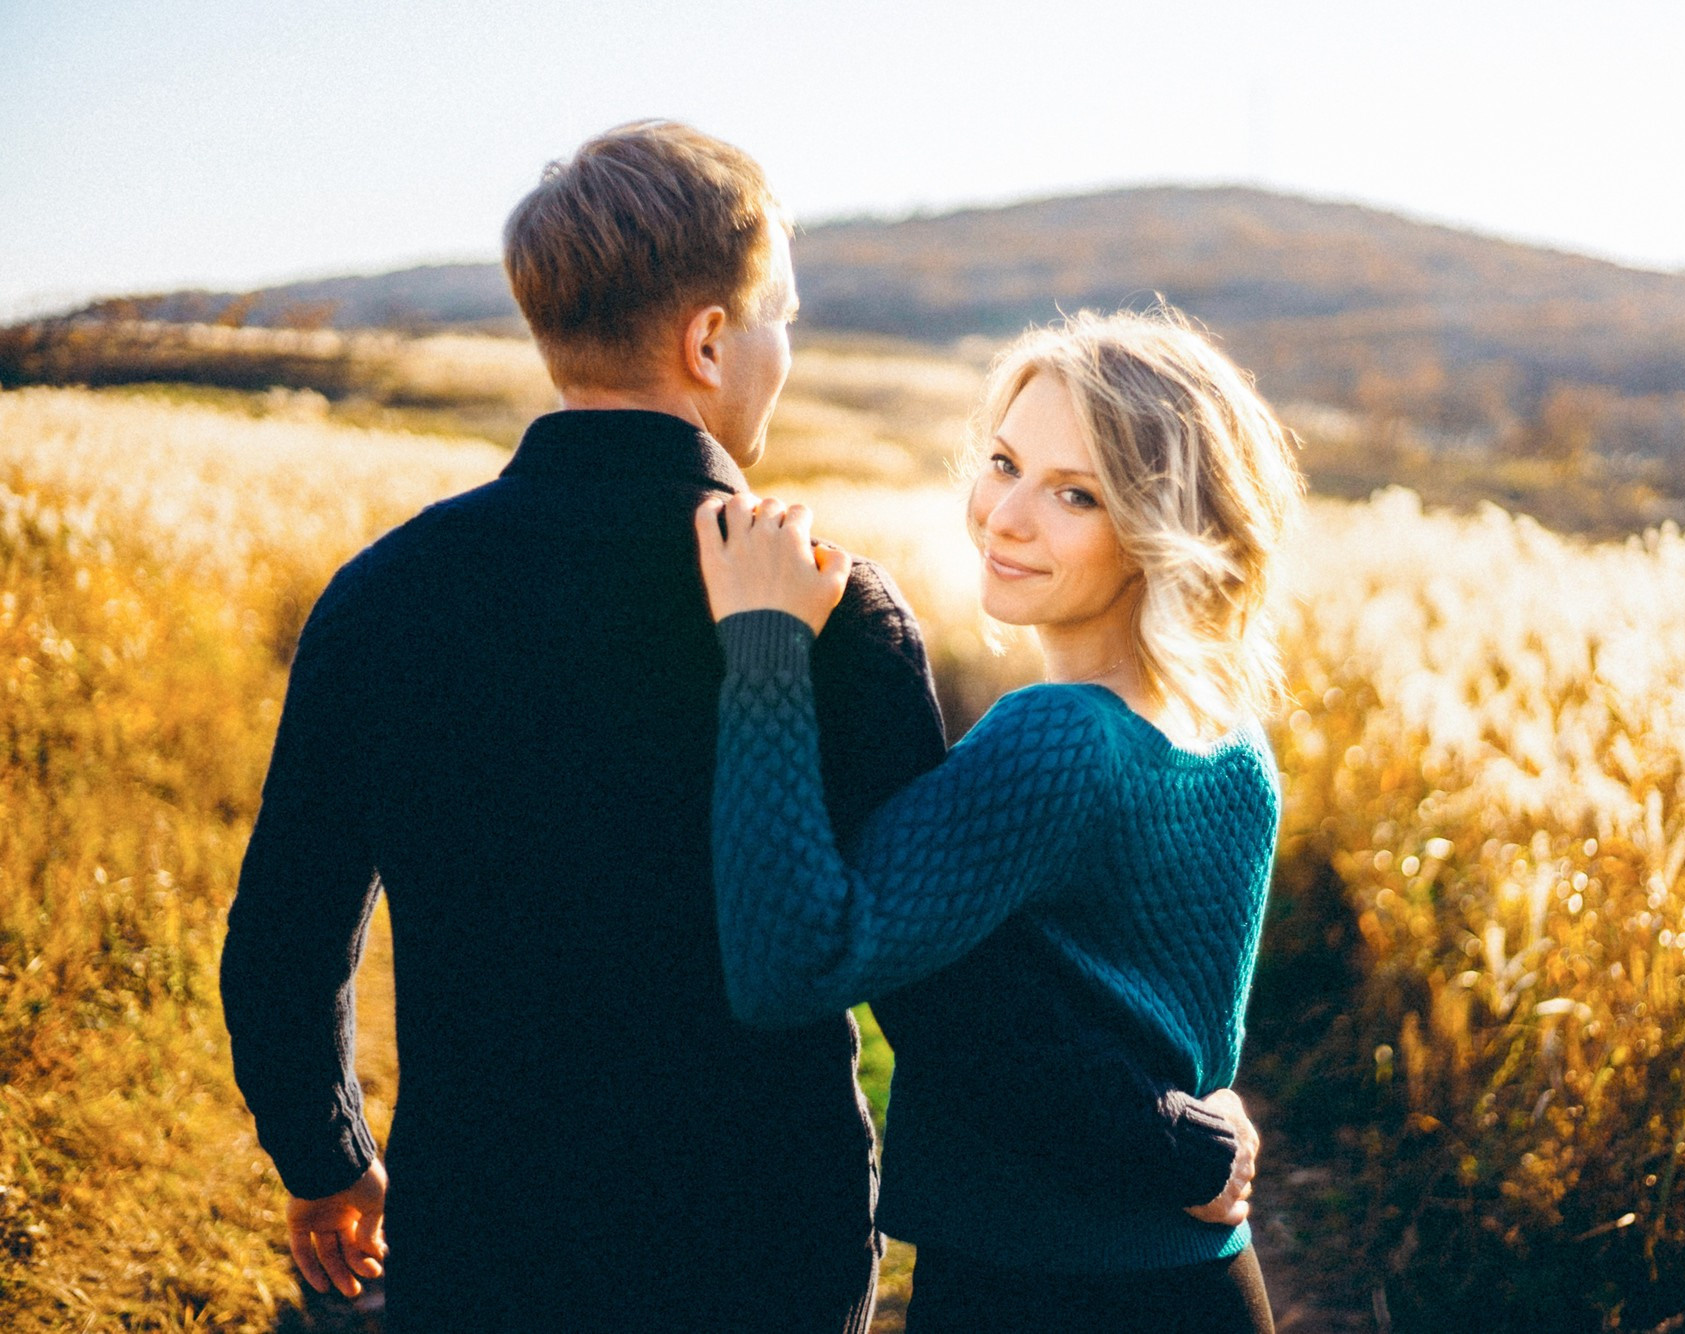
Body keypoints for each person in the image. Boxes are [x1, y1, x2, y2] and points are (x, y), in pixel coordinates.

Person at [219, 122, 1256, 1332]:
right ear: (710, 339)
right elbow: (944, 986)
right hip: (764, 1235)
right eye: (784, 319)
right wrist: (1174, 1140)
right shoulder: (830, 604)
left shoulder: (381, 598)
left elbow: (283, 937)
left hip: (485, 1230)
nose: (785, 352)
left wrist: (325, 1154)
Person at [696, 306, 1300, 1332]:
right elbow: (1184, 1045)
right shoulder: (1233, 741)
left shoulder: (1057, 735)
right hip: (1202, 1282)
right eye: (1002, 461)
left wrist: (761, 648)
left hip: (1049, 1289)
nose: (1006, 515)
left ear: (1165, 531)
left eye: (1076, 493)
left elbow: (795, 958)